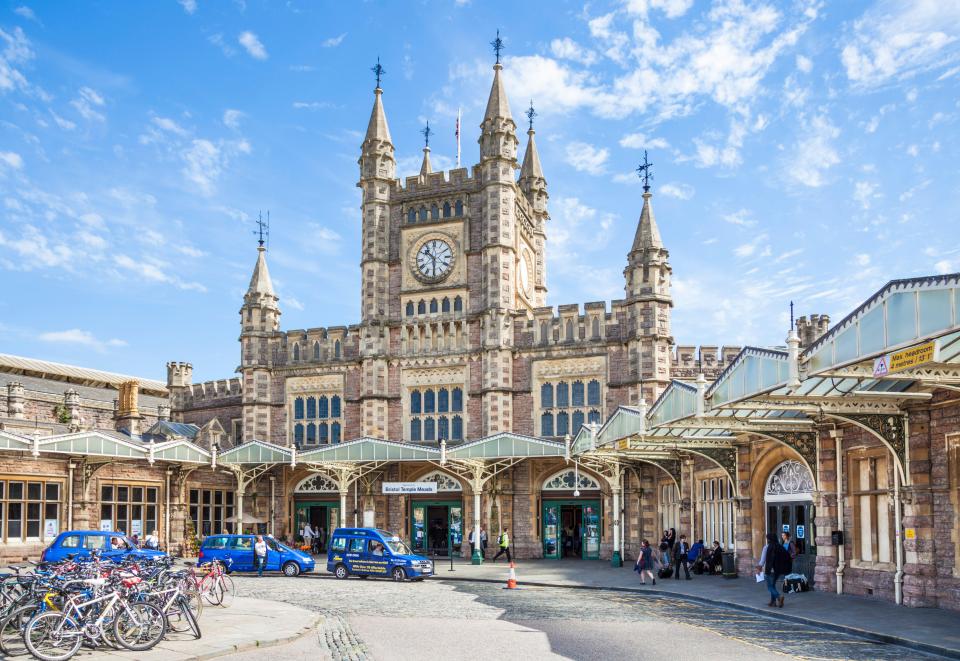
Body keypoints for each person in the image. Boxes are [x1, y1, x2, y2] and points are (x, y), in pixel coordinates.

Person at [757, 532, 792, 607]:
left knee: (770, 587)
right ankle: (773, 602)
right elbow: (787, 556)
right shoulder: (780, 547)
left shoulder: (766, 547)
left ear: (769, 539)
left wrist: (759, 568)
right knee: (773, 585)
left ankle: (779, 597)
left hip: (769, 570)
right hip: (777, 571)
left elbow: (762, 560)